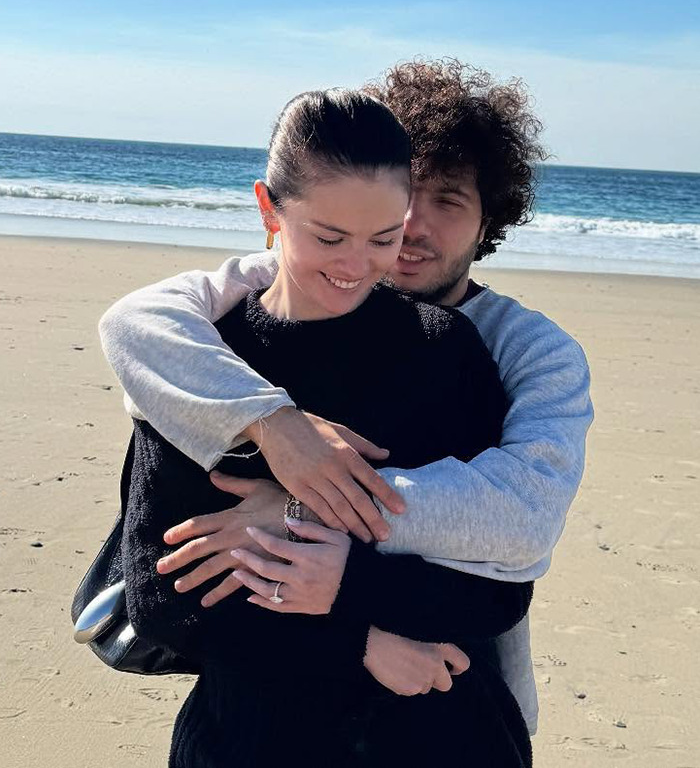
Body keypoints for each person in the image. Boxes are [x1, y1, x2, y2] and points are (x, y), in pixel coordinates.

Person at [100, 59, 593, 736]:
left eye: (447, 198)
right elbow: (134, 323)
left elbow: (522, 523)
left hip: (451, 698)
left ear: (491, 220)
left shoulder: (509, 353)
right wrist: (276, 426)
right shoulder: (226, 331)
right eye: (403, 194)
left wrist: (301, 509)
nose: (410, 225)